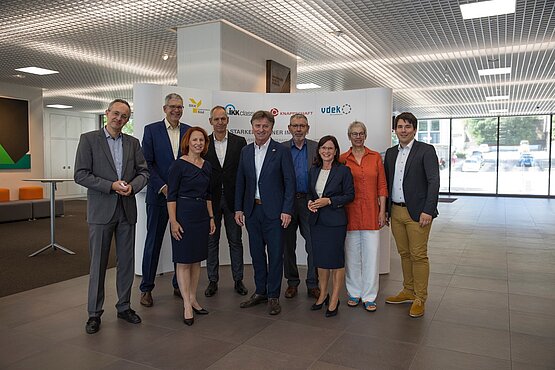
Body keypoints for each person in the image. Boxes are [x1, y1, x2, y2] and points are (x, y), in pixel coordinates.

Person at [74, 99, 149, 334]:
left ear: (128, 119)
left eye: (124, 116)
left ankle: (124, 306)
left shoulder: (133, 143)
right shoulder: (88, 139)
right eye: (116, 114)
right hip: (101, 210)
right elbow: (80, 174)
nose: (119, 119)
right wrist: (111, 185)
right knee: (98, 264)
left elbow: (144, 172)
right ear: (107, 113)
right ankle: (94, 313)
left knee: (126, 262)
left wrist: (133, 186)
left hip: (126, 209)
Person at [235, 110, 296, 316]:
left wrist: (287, 209)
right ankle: (260, 291)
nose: (261, 130)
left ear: (271, 128)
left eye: (265, 126)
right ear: (252, 126)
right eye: (257, 126)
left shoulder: (281, 151)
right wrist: (238, 208)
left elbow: (290, 182)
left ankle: (273, 296)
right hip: (252, 211)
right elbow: (241, 182)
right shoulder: (245, 151)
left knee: (276, 255)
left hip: (275, 213)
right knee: (256, 254)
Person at [384, 112, 439, 318]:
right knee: (404, 254)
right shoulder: (390, 153)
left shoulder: (426, 150)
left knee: (418, 255)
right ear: (395, 130)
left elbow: (434, 181)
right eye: (400, 126)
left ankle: (420, 298)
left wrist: (428, 210)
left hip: (418, 213)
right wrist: (387, 211)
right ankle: (408, 290)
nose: (403, 130)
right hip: (396, 211)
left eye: (407, 126)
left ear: (414, 129)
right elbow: (388, 183)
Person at [139, 93, 191, 307]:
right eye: (172, 107)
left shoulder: (189, 131)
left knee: (182, 244)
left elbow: (193, 161)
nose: (176, 110)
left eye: (179, 107)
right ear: (164, 108)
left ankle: (178, 285)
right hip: (159, 197)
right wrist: (162, 186)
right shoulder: (151, 131)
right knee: (153, 242)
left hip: (183, 198)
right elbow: (146, 164)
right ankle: (146, 288)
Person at [167, 127, 216, 326]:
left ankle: (194, 298)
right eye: (195, 140)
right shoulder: (178, 165)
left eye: (201, 140)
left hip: (201, 216)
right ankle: (186, 304)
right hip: (183, 215)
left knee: (196, 261)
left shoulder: (207, 166)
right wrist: (173, 221)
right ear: (188, 142)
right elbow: (171, 196)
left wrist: (211, 218)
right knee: (184, 261)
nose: (198, 143)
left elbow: (208, 195)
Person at [340, 121, 388, 313]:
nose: (358, 137)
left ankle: (369, 295)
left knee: (371, 256)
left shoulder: (375, 157)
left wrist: (382, 211)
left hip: (371, 214)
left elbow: (382, 186)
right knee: (352, 256)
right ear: (349, 136)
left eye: (361, 133)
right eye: (354, 133)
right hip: (349, 214)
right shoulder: (342, 158)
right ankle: (354, 292)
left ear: (365, 135)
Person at [203, 106, 248, 297]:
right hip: (210, 200)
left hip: (232, 200)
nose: (220, 122)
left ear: (227, 120)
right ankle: (212, 281)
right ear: (210, 122)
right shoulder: (202, 142)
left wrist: (241, 203)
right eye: (216, 119)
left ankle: (238, 280)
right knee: (211, 242)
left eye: (223, 119)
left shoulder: (240, 142)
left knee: (235, 241)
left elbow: (244, 173)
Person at [307, 135, 354, 317]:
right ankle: (322, 294)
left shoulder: (343, 171)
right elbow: (309, 193)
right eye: (323, 148)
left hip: (335, 223)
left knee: (335, 261)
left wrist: (330, 201)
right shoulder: (314, 170)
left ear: (336, 151)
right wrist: (310, 202)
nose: (326, 151)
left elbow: (350, 195)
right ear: (319, 150)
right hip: (317, 221)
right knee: (321, 260)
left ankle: (334, 299)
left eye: (330, 148)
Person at [281, 113, 319, 299]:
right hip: (287, 203)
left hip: (309, 202)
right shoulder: (281, 149)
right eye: (295, 126)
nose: (298, 129)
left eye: (302, 126)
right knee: (288, 246)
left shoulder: (317, 147)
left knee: (313, 244)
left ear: (307, 128)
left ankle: (313, 283)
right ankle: (292, 282)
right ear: (289, 128)